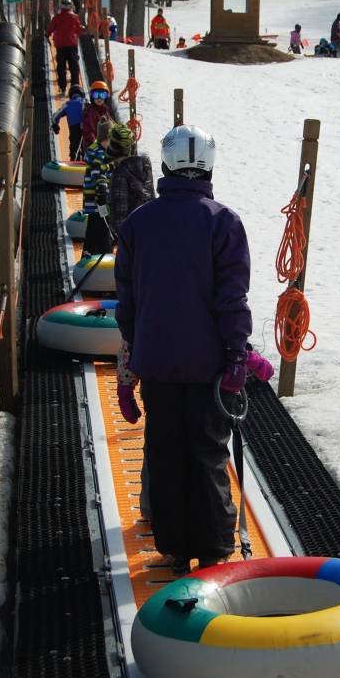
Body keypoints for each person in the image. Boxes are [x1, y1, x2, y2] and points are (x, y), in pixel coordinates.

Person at [114, 124, 255, 572]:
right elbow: (231, 298)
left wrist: (131, 361)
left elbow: (128, 300)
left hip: (157, 362)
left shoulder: (138, 223)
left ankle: (174, 546)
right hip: (210, 366)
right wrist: (236, 354)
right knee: (209, 453)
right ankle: (214, 547)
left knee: (166, 450)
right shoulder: (223, 221)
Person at [107, 123, 156, 240]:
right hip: (152, 230)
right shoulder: (145, 166)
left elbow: (119, 217)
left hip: (134, 239)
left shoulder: (119, 174)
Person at [81, 118, 114, 258]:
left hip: (94, 202)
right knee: (102, 229)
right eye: (109, 141)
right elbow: (98, 173)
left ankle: (89, 252)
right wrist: (102, 191)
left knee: (94, 228)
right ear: (103, 139)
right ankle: (103, 254)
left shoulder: (99, 150)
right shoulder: (99, 154)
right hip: (98, 200)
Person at [45, 0, 85, 93]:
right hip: (71, 45)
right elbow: (79, 30)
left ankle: (62, 87)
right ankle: (75, 87)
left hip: (60, 46)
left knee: (61, 67)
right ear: (71, 6)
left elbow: (50, 28)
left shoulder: (57, 17)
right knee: (74, 67)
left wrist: (47, 35)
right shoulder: (74, 17)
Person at [51, 83, 86, 159]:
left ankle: (73, 161)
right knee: (85, 146)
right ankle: (87, 161)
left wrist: (56, 126)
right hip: (86, 128)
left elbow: (55, 116)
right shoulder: (85, 102)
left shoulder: (68, 104)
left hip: (74, 129)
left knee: (74, 146)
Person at [81, 80, 114, 149]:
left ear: (106, 97)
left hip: (104, 144)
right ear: (92, 97)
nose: (99, 98)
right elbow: (89, 130)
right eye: (96, 95)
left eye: (102, 95)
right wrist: (95, 144)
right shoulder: (90, 112)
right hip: (94, 147)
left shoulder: (104, 110)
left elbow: (112, 124)